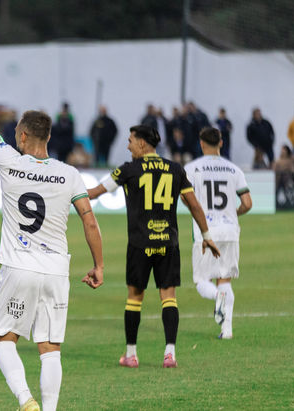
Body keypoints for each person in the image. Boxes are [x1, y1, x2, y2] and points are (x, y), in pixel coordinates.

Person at [0, 71, 104, 411]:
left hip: (19, 266)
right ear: (49, 136)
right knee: (50, 348)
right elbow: (89, 220)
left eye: (16, 132)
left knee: (4, 339)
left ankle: (26, 400)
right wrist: (99, 265)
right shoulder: (69, 174)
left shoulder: (8, 161)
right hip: (56, 270)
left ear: (24, 135)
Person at [87, 125, 220, 370]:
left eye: (130, 141)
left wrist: (63, 194)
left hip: (140, 243)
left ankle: (131, 355)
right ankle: (170, 354)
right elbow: (194, 205)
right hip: (168, 242)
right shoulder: (175, 169)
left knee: (134, 298)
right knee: (168, 297)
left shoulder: (128, 170)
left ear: (142, 143)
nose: (128, 146)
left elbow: (94, 193)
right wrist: (206, 235)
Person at [184, 127, 251, 339]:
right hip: (230, 231)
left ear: (201, 143)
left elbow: (185, 198)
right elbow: (247, 203)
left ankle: (217, 297)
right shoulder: (234, 170)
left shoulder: (192, 169)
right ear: (221, 143)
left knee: (202, 281)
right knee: (225, 280)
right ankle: (227, 330)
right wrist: (232, 214)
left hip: (206, 231)